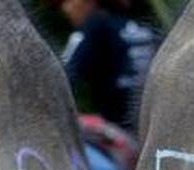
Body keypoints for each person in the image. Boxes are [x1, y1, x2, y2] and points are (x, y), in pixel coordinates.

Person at [56, 0, 158, 133]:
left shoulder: (93, 25)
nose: (66, 9)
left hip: (121, 133)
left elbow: (60, 77)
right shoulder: (144, 26)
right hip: (154, 129)